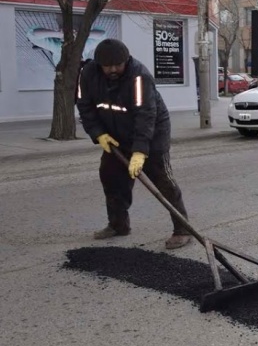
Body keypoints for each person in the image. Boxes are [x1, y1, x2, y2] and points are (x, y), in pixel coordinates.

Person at [76, 39, 192, 250]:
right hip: (114, 136)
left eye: (117, 65)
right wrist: (98, 134)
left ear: (126, 60)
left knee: (163, 181)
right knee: (111, 178)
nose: (112, 70)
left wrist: (139, 151)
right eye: (107, 66)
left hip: (152, 134)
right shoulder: (88, 74)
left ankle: (182, 229)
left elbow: (145, 115)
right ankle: (118, 225)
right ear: (98, 63)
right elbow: (85, 107)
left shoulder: (139, 77)